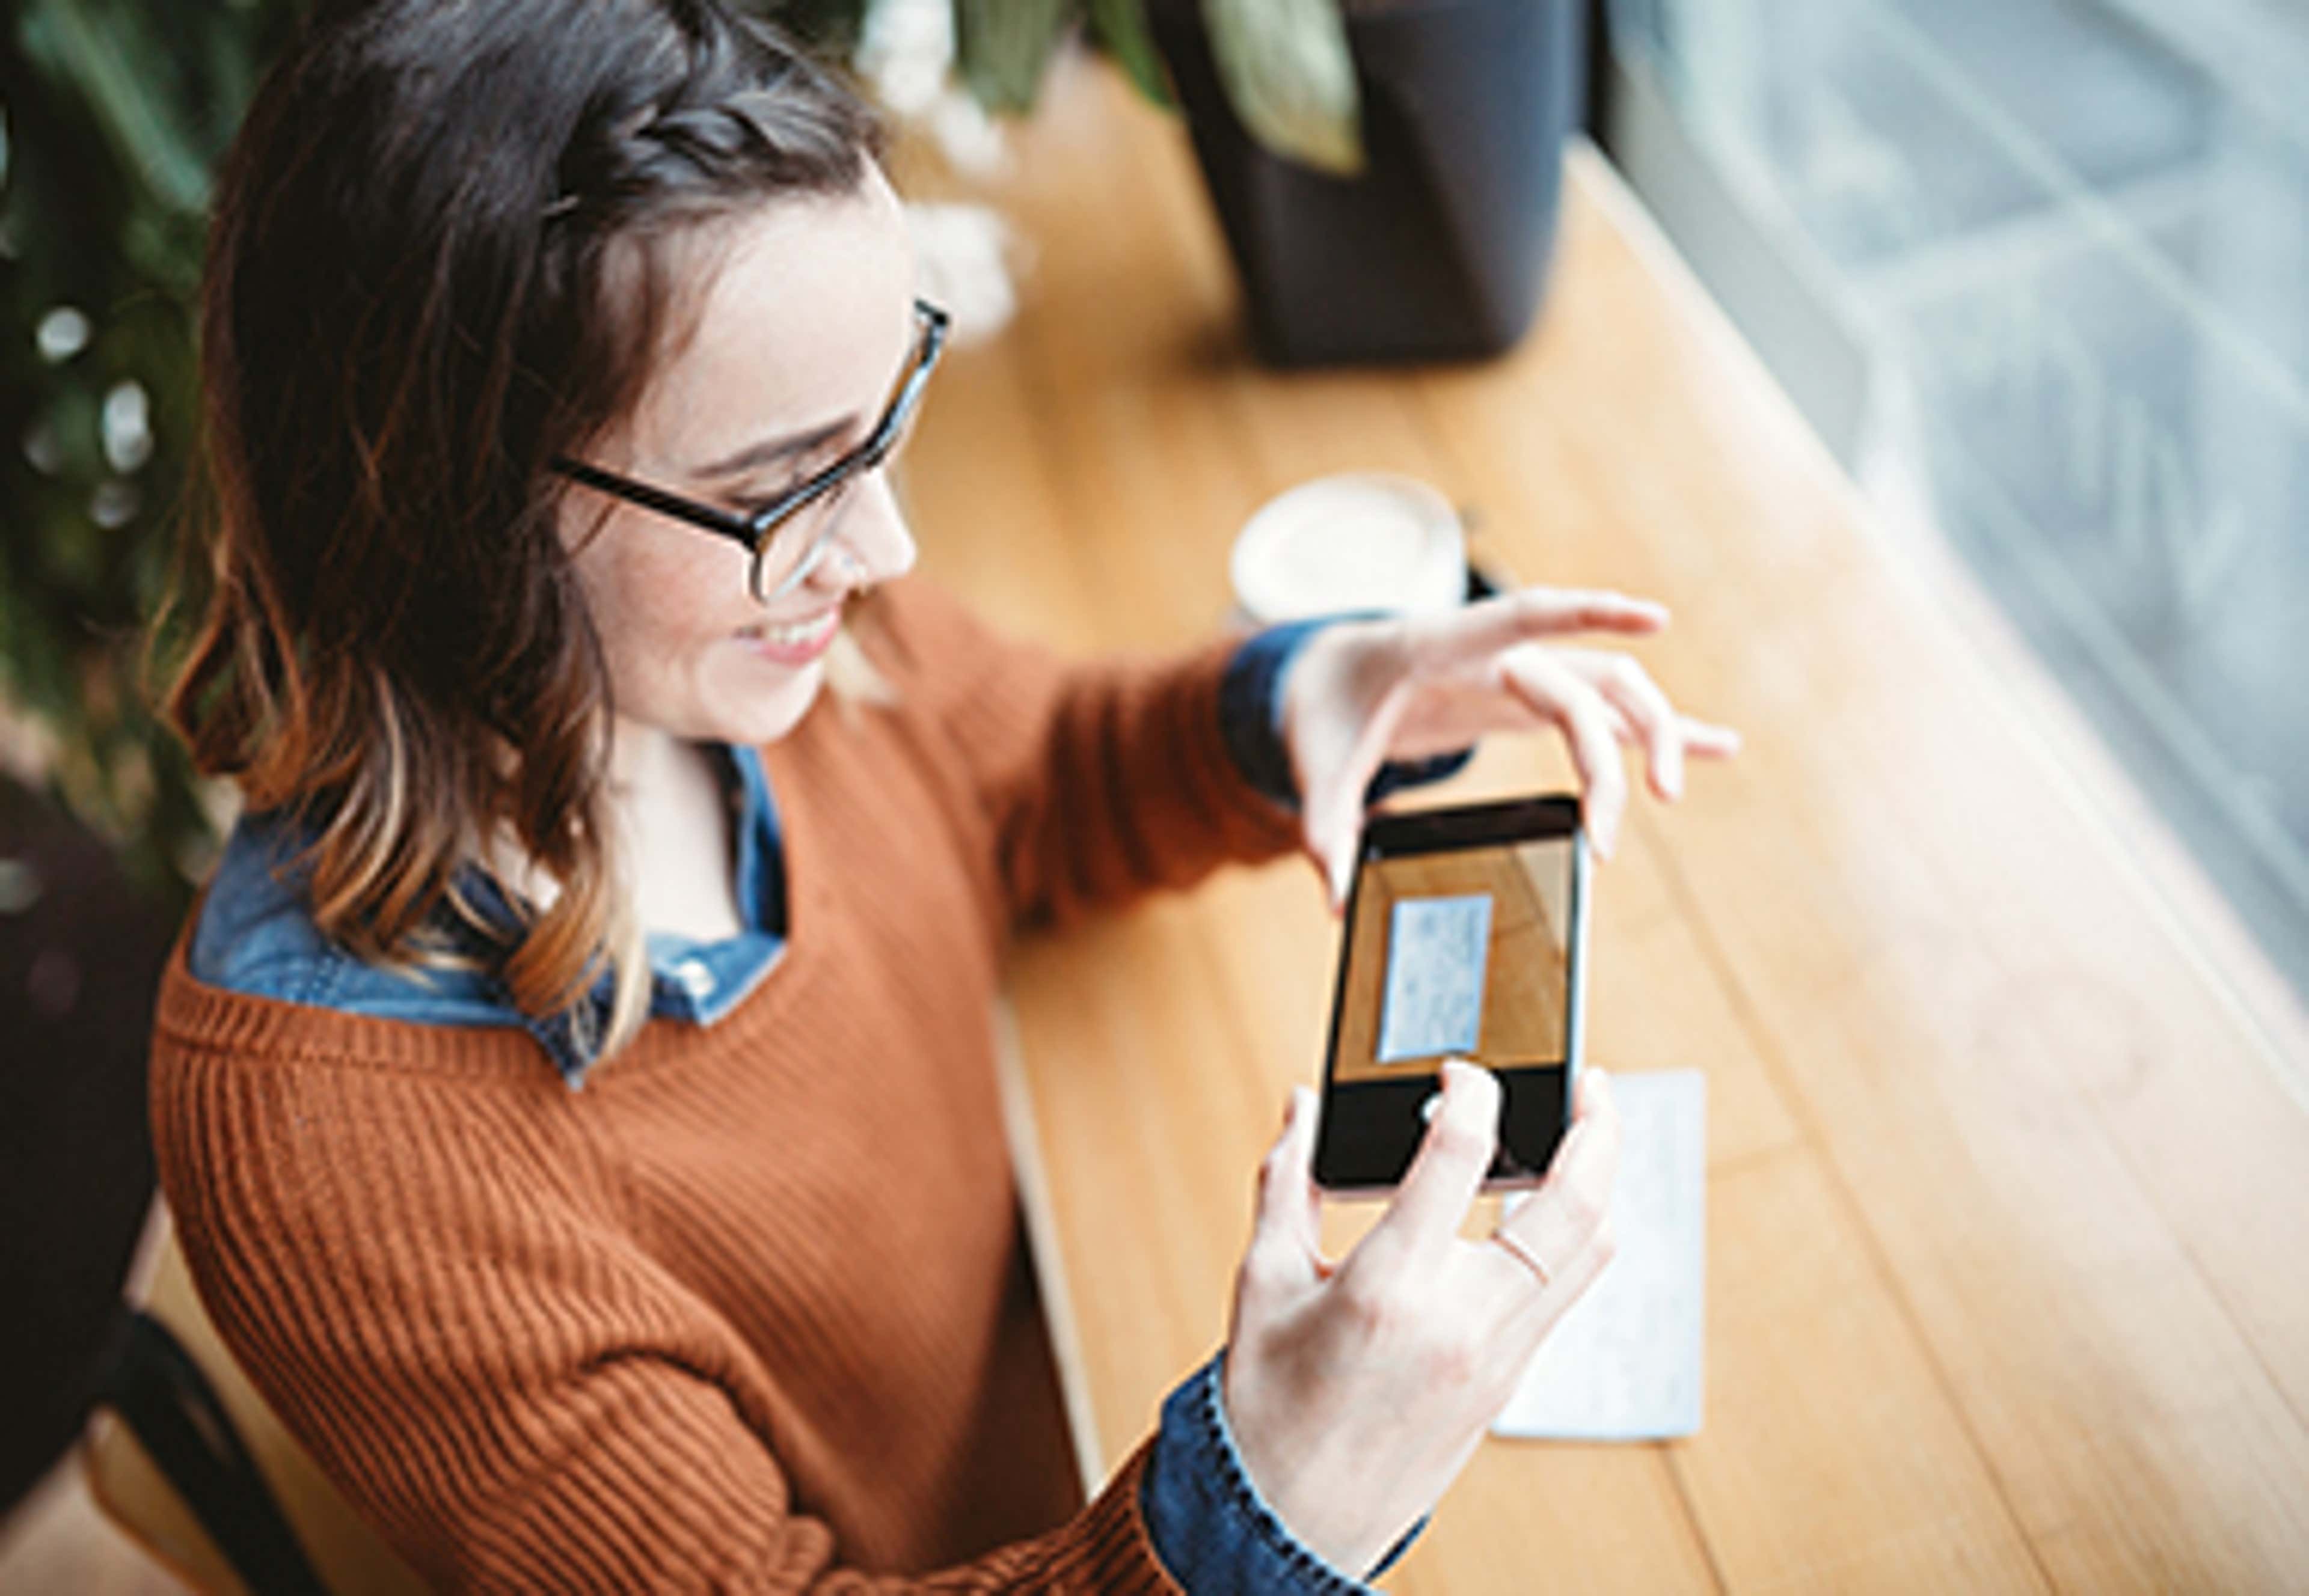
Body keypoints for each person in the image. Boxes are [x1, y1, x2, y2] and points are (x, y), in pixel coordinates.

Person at [149, 0, 1740, 1589]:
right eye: (783, 486)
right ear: (444, 505)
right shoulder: (341, 1157)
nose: (888, 551)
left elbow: (1026, 777)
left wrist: (1294, 702)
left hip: (1059, 1346)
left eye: (888, 417)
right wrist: (1269, 1509)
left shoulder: (728, 629)